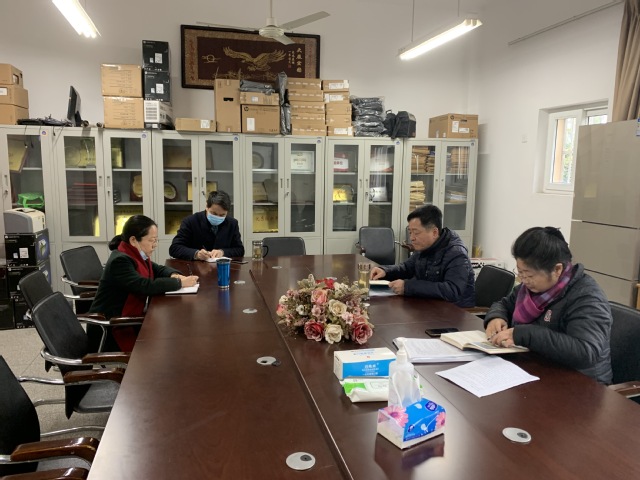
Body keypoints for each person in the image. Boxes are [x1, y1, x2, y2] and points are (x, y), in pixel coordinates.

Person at [484, 226, 612, 384]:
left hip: (581, 384)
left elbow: (586, 352)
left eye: (528, 274)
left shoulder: (587, 297)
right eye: (520, 272)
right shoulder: (531, 289)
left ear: (557, 269)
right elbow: (504, 304)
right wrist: (496, 317)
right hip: (538, 370)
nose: (523, 280)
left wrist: (526, 334)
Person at [89, 215, 199, 352]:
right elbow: (144, 285)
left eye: (156, 240)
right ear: (133, 240)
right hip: (111, 327)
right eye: (151, 240)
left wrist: (174, 275)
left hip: (128, 318)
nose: (155, 245)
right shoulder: (120, 261)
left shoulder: (134, 254)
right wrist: (179, 283)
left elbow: (158, 269)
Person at [370, 205, 475, 307]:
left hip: (455, 311)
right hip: (429, 305)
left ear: (434, 232)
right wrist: (385, 271)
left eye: (416, 233)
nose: (412, 238)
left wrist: (408, 287)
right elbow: (407, 268)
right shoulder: (425, 247)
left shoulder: (456, 253)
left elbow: (452, 290)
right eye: (410, 232)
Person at [169, 190, 245, 260]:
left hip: (222, 267)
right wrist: (196, 254)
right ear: (207, 206)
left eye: (222, 215)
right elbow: (175, 248)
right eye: (214, 213)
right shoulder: (190, 221)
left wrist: (222, 252)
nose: (217, 217)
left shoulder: (232, 224)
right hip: (195, 267)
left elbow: (240, 250)